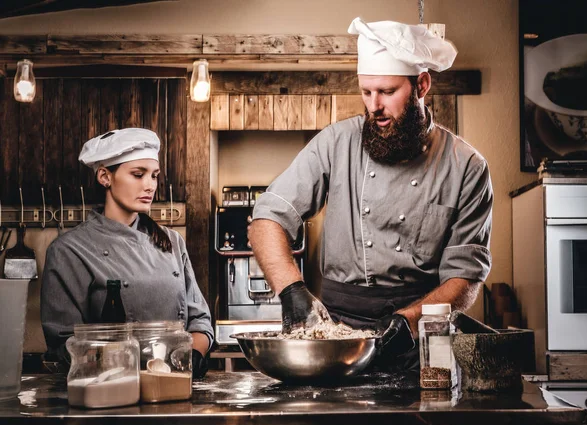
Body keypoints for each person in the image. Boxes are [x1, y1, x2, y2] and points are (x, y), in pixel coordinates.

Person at [249, 17, 493, 373]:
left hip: (419, 338)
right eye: (366, 92)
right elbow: (267, 217)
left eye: (388, 92)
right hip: (336, 336)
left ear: (422, 85)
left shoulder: (466, 166)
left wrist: (409, 320)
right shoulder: (336, 143)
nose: (374, 106)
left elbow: (464, 278)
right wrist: (291, 291)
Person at [41, 128, 214, 378]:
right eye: (138, 174)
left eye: (154, 176)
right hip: (108, 390)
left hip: (174, 384)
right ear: (105, 177)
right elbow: (63, 342)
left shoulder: (172, 241)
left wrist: (193, 356)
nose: (150, 185)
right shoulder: (70, 250)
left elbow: (200, 321)